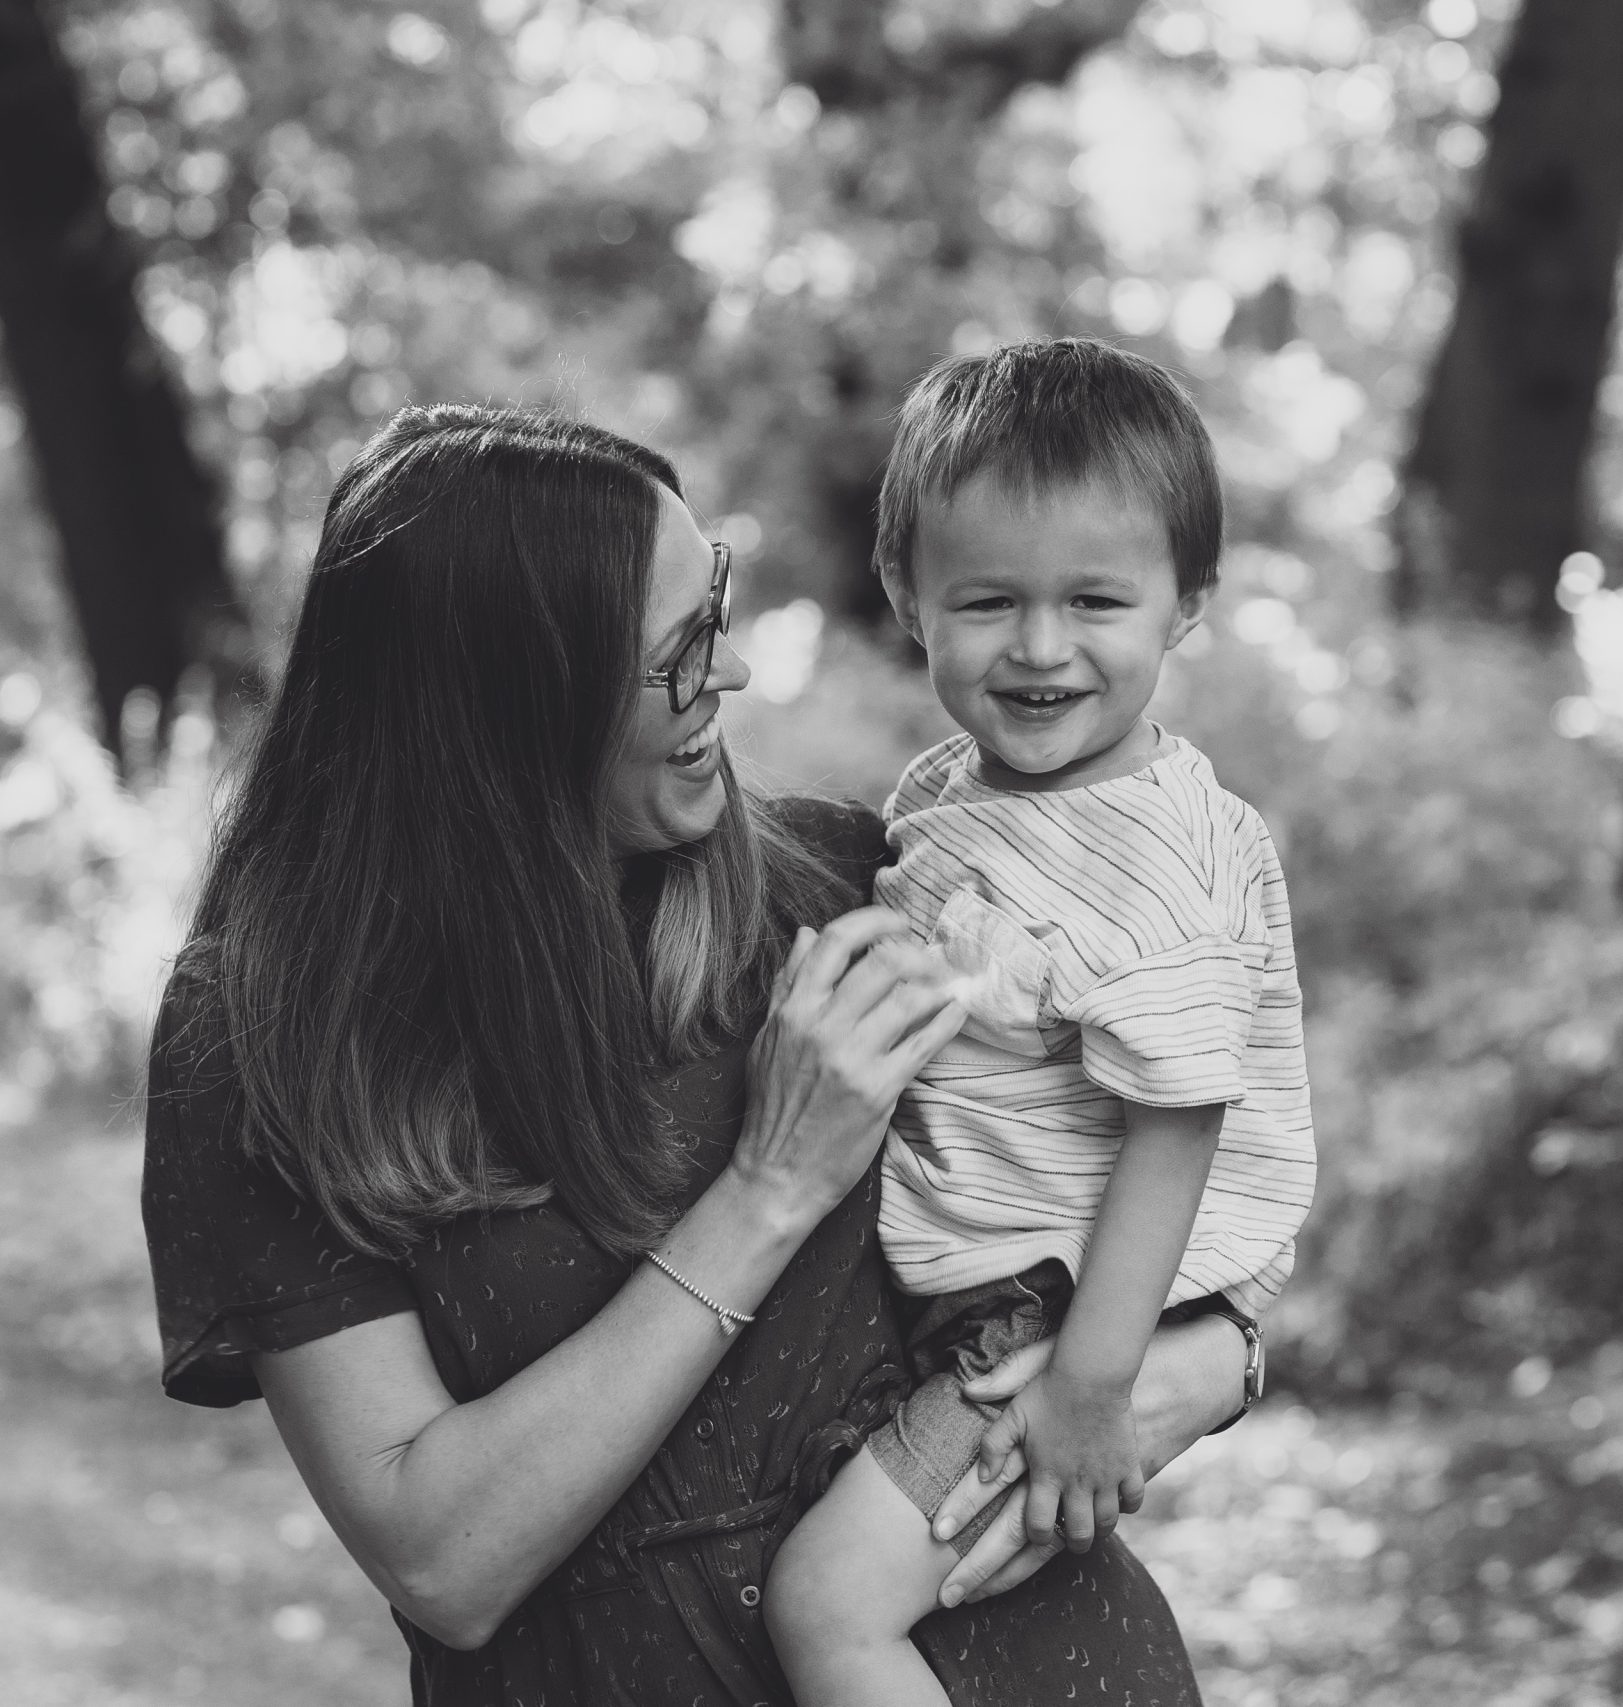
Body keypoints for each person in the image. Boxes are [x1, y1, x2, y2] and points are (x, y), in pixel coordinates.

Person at [139, 404, 1253, 1706]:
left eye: (713, 614)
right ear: (506, 717)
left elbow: (1180, 1137)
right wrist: (770, 1189)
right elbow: (442, 1559)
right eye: (673, 657)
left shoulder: (849, 888)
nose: (726, 678)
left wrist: (1202, 1364)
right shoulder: (270, 1034)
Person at [762, 341, 1316, 1707]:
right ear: (909, 598)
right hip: (1012, 1294)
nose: (1042, 648)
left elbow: (1180, 1119)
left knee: (829, 1610)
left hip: (1061, 1315)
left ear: (1189, 600)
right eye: (992, 600)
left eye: (1096, 601)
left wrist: (1090, 1385)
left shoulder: (1156, 846)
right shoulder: (964, 789)